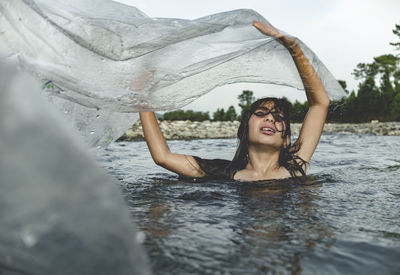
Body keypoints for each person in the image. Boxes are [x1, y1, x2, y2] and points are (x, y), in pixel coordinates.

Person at [139, 20, 330, 181]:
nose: (270, 119)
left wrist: (294, 47)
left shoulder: (294, 168)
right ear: (245, 129)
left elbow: (320, 103)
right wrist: (142, 98)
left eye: (278, 117)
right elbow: (162, 157)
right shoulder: (222, 172)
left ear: (286, 140)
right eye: (261, 113)